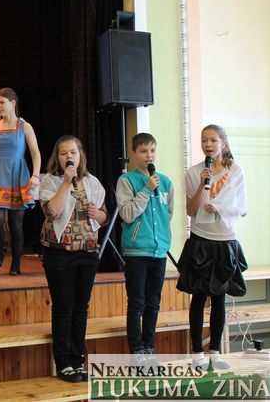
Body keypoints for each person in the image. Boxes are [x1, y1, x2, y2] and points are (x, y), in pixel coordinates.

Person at [176, 124, 247, 370]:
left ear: (223, 143)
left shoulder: (235, 171)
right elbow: (190, 210)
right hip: (201, 240)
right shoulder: (194, 172)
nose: (208, 144)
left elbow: (242, 208)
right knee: (198, 297)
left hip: (225, 240)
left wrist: (219, 207)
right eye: (204, 140)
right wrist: (201, 184)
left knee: (219, 299)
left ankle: (215, 352)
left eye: (213, 140)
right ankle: (197, 353)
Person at [38, 135, 108, 383]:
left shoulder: (92, 182)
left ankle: (77, 360)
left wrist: (97, 214)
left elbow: (104, 218)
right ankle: (63, 363)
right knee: (63, 307)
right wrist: (66, 183)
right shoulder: (49, 181)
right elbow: (52, 212)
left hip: (87, 253)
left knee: (81, 308)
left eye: (73, 152)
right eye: (64, 153)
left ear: (80, 155)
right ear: (57, 158)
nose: (69, 156)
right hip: (59, 254)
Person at [116, 133, 174, 366]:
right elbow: (127, 214)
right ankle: (137, 351)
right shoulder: (127, 181)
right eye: (143, 151)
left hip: (159, 252)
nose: (149, 155)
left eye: (152, 150)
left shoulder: (166, 182)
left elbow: (168, 214)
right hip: (137, 252)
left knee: (153, 303)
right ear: (134, 154)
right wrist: (147, 190)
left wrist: (162, 237)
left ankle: (149, 348)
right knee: (137, 304)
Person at [0, 88, 40, 276]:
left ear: (13, 103)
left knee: (16, 224)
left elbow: (35, 153)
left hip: (18, 175)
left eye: (2, 102)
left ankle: (16, 264)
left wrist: (35, 175)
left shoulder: (25, 127)